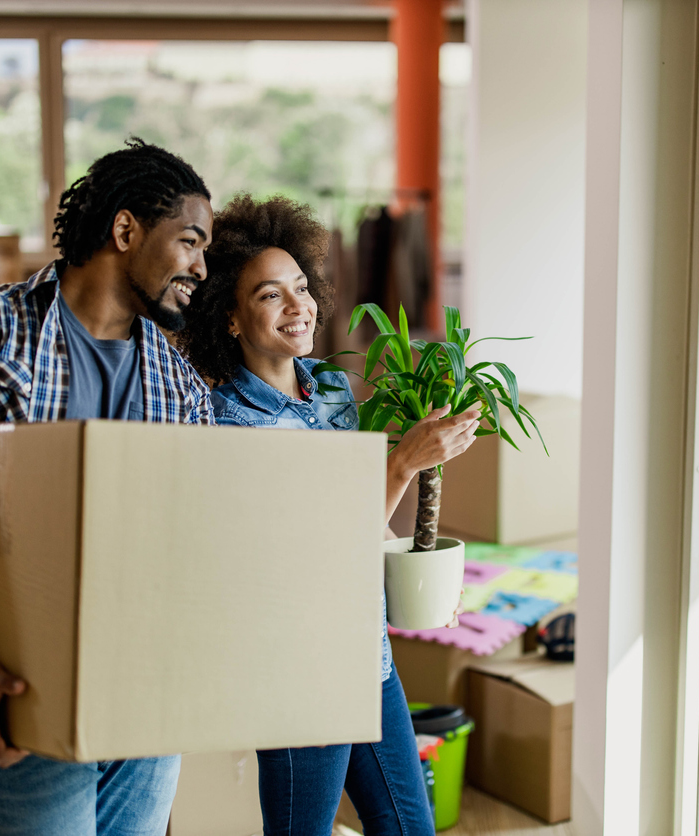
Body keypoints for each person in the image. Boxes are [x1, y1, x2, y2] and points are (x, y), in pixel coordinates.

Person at [0, 139, 216, 836]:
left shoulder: (180, 383)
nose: (201, 268)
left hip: (149, 696)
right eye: (190, 242)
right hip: (18, 690)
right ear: (126, 232)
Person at [177, 194, 479, 836]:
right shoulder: (227, 421)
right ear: (230, 317)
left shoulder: (332, 391)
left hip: (366, 658)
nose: (299, 305)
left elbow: (365, 527)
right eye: (269, 295)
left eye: (300, 286)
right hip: (295, 670)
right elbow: (300, 559)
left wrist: (416, 577)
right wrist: (402, 463)